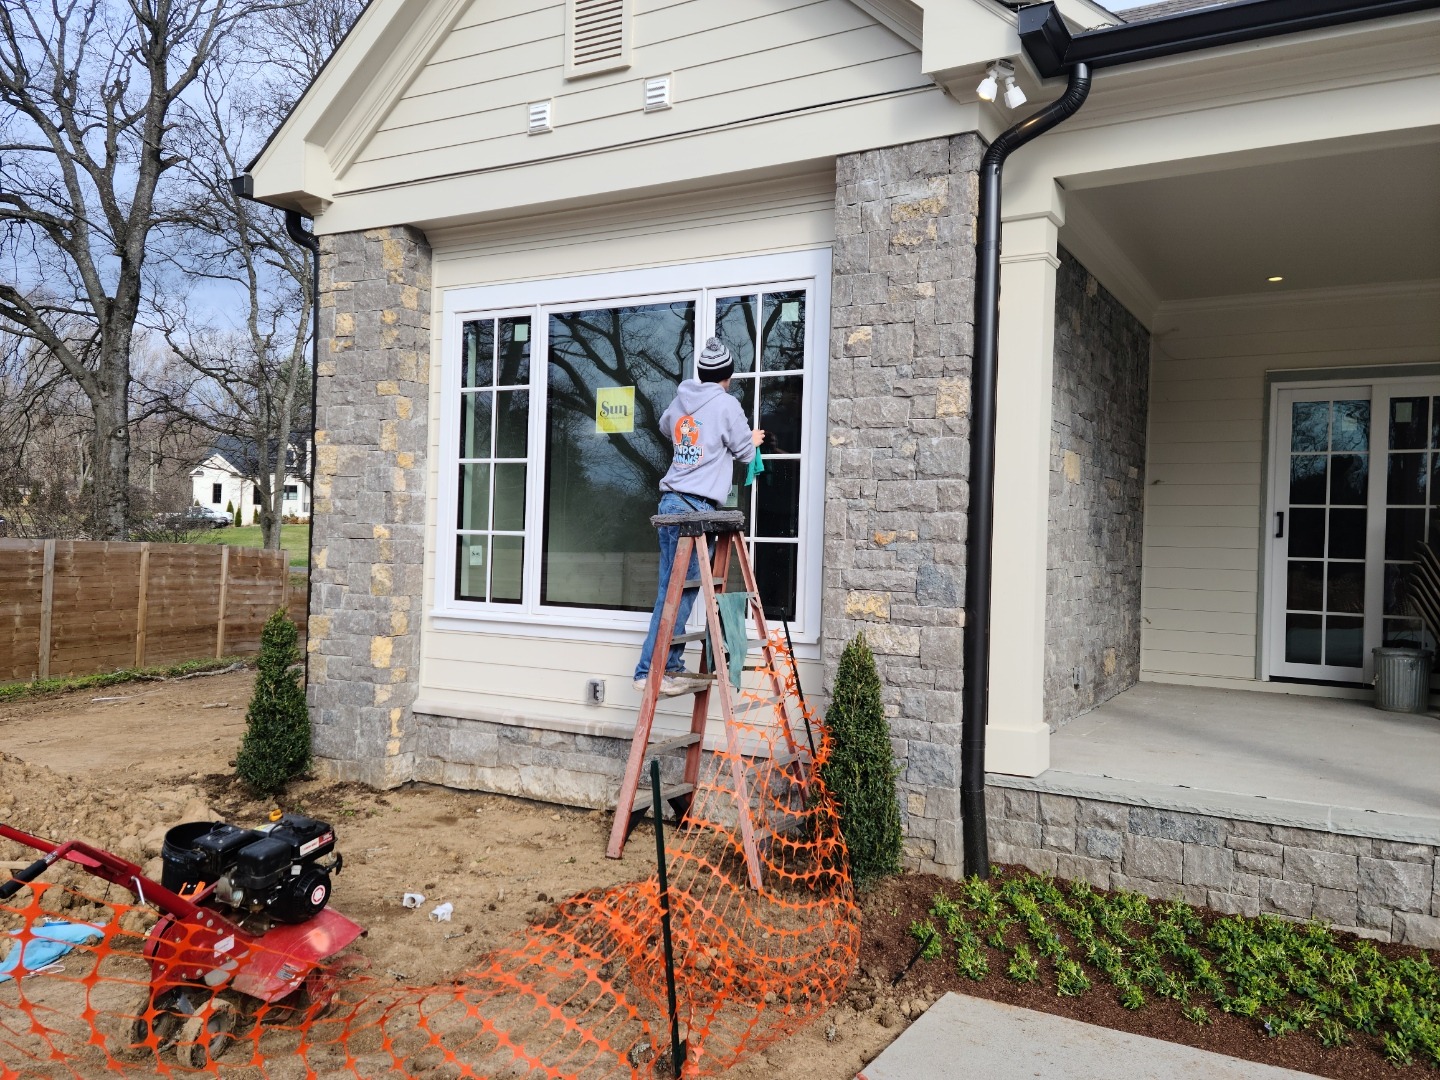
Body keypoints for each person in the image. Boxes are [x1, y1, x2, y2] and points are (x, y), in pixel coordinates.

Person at [634, 336, 764, 696]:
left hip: (671, 502)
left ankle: (663, 667)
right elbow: (741, 452)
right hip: (694, 510)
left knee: (670, 592)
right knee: (678, 594)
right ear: (728, 375)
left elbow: (665, 426)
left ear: (701, 372)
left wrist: (690, 442)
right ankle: (651, 670)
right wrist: (752, 439)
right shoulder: (727, 404)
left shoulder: (681, 400)